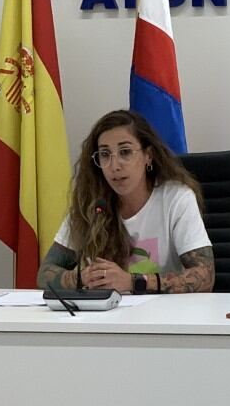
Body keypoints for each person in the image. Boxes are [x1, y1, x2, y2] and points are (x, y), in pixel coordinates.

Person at [37, 109, 214, 294]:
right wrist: (81, 278)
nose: (115, 166)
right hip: (106, 317)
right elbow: (44, 274)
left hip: (164, 316)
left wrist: (134, 282)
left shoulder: (176, 199)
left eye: (125, 152)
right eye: (105, 155)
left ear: (148, 155)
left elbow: (205, 276)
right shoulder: (92, 204)